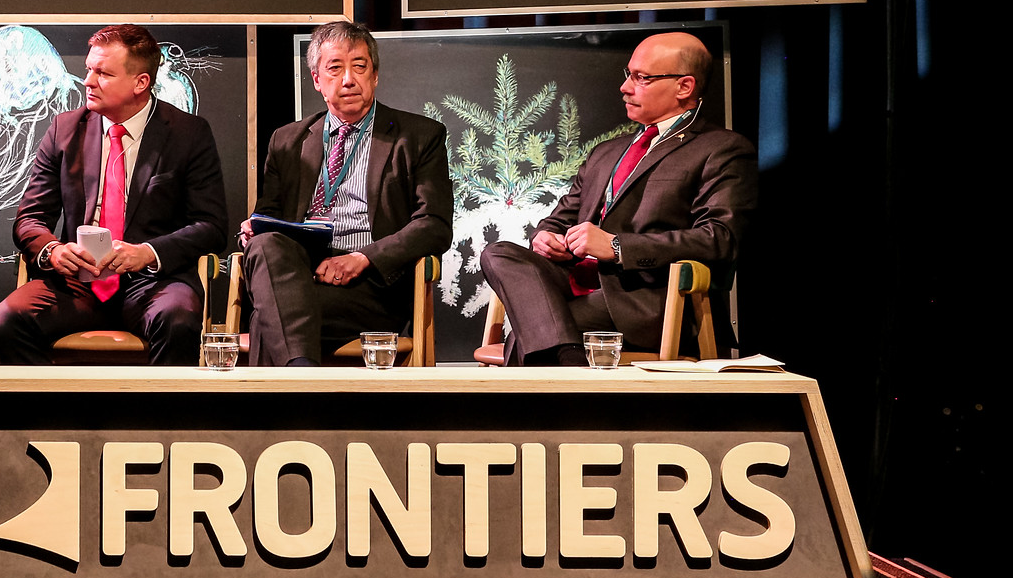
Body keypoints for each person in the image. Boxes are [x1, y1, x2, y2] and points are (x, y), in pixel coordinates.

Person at [479, 31, 756, 365]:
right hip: (573, 283)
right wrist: (545, 238)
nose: (625, 87)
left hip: (646, 299)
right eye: (629, 75)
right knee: (499, 253)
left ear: (685, 86)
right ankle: (566, 359)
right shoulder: (606, 152)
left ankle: (559, 375)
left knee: (534, 332)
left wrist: (616, 247)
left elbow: (719, 240)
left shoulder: (721, 148)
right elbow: (557, 219)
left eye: (642, 78)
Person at [0, 24, 227, 365]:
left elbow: (211, 225)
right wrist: (53, 251)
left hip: (153, 281)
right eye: (89, 69)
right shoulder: (64, 130)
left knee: (178, 319)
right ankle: (45, 417)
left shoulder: (189, 134)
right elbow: (30, 218)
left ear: (140, 83)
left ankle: (159, 419)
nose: (87, 80)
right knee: (7, 320)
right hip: (75, 282)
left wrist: (147, 252)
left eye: (103, 73)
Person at [240, 21, 452, 365]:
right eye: (335, 68)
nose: (348, 79)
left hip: (369, 287)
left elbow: (434, 224)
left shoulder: (418, 136)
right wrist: (254, 228)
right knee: (265, 245)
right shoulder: (287, 140)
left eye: (359, 66)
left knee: (268, 320)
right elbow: (269, 214)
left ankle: (291, 398)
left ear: (375, 75)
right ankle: (305, 385)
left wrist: (363, 258)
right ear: (317, 80)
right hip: (298, 274)